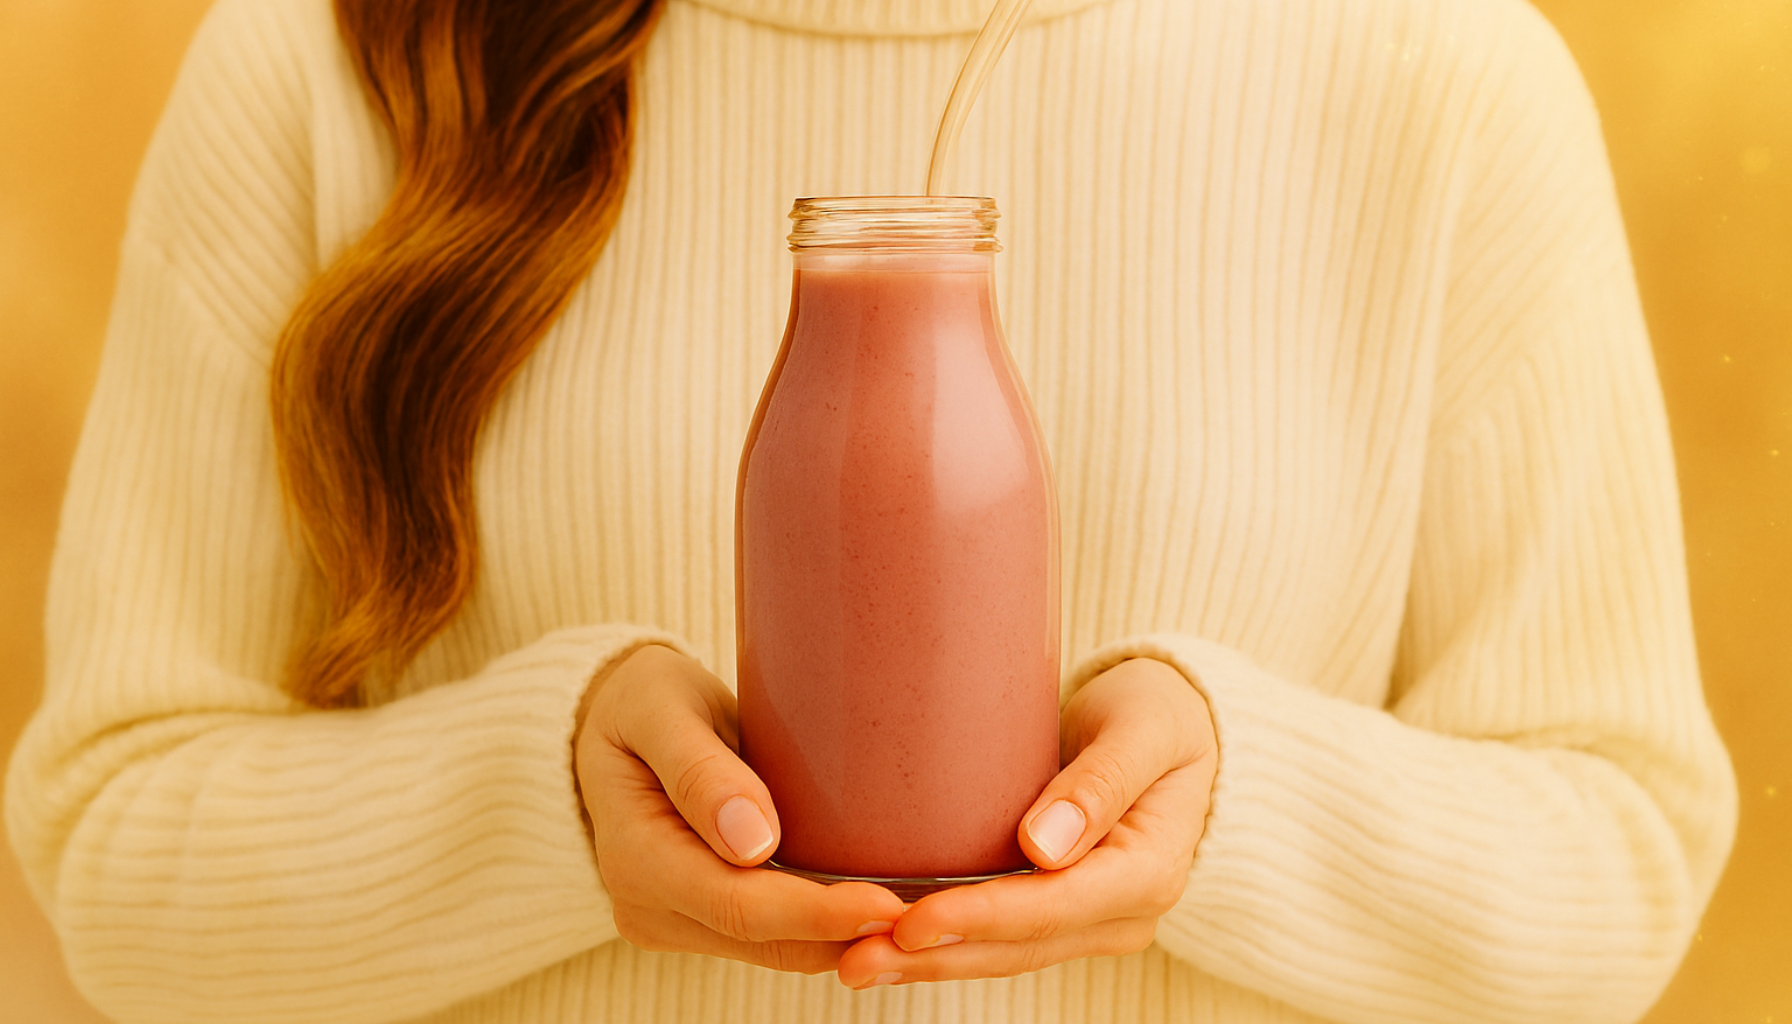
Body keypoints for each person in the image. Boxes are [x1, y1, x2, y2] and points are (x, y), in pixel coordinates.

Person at [4, 0, 1738, 1019]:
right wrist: (533, 805)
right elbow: (112, 842)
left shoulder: (1427, 63)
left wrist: (1247, 811)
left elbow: (1623, 851)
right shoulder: (337, 54)